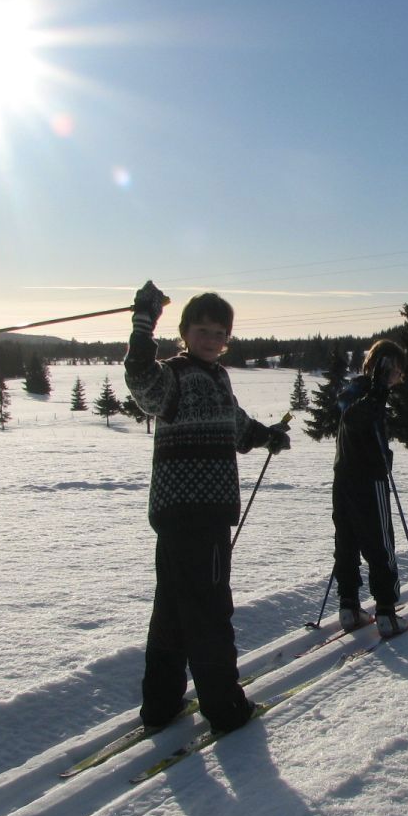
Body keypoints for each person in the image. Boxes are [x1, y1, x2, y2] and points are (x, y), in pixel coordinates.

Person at [125, 280, 291, 734]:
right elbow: (140, 379)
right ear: (185, 332)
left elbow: (234, 425)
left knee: (174, 610)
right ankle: (225, 708)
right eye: (203, 331)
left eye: (220, 333)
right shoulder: (173, 376)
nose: (212, 340)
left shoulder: (218, 377)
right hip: (193, 512)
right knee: (210, 610)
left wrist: (266, 436)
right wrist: (144, 321)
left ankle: (160, 707)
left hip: (197, 512)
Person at [331, 339, 408, 639]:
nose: (393, 377)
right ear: (374, 366)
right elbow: (351, 416)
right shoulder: (363, 392)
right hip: (366, 480)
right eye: (389, 369)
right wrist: (376, 392)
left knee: (348, 541)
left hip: (346, 477)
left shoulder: (364, 392)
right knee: (378, 543)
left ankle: (350, 608)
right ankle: (386, 612)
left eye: (397, 372)